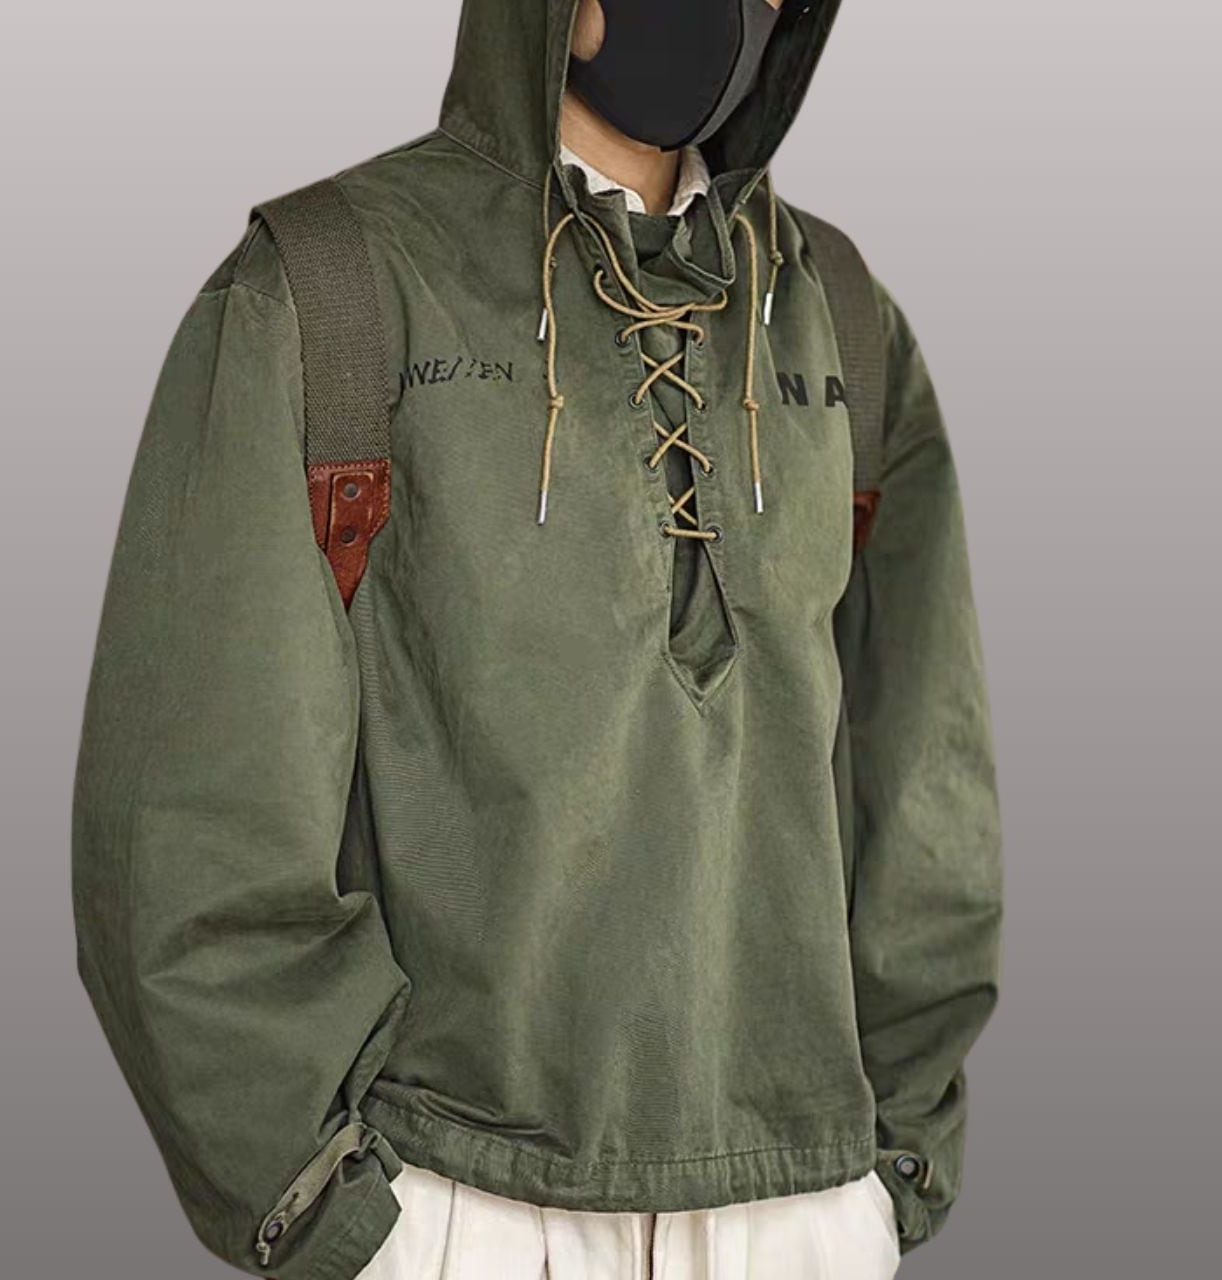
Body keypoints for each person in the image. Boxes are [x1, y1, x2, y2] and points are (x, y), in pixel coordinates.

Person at [71, 2, 1004, 1278]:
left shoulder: (836, 315)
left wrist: (886, 1176)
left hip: (805, 1198)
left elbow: (927, 794)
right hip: (458, 1193)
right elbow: (187, 819)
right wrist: (336, 1212)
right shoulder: (332, 289)